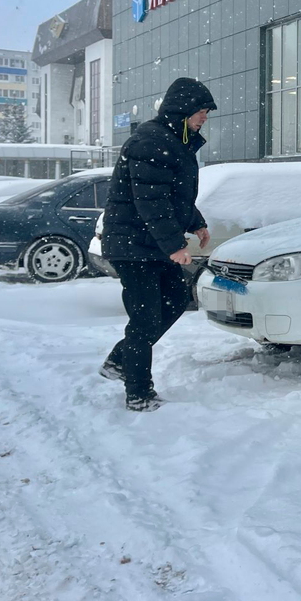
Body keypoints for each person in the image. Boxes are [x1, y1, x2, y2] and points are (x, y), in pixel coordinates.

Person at [99, 77, 217, 411]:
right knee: (145, 318)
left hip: (148, 243)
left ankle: (120, 360)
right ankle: (138, 392)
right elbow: (150, 201)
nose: (204, 118)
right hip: (133, 245)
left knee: (177, 299)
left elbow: (172, 194)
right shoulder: (151, 141)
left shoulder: (173, 141)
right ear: (182, 110)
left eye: (206, 112)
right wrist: (173, 246)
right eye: (201, 111)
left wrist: (197, 222)